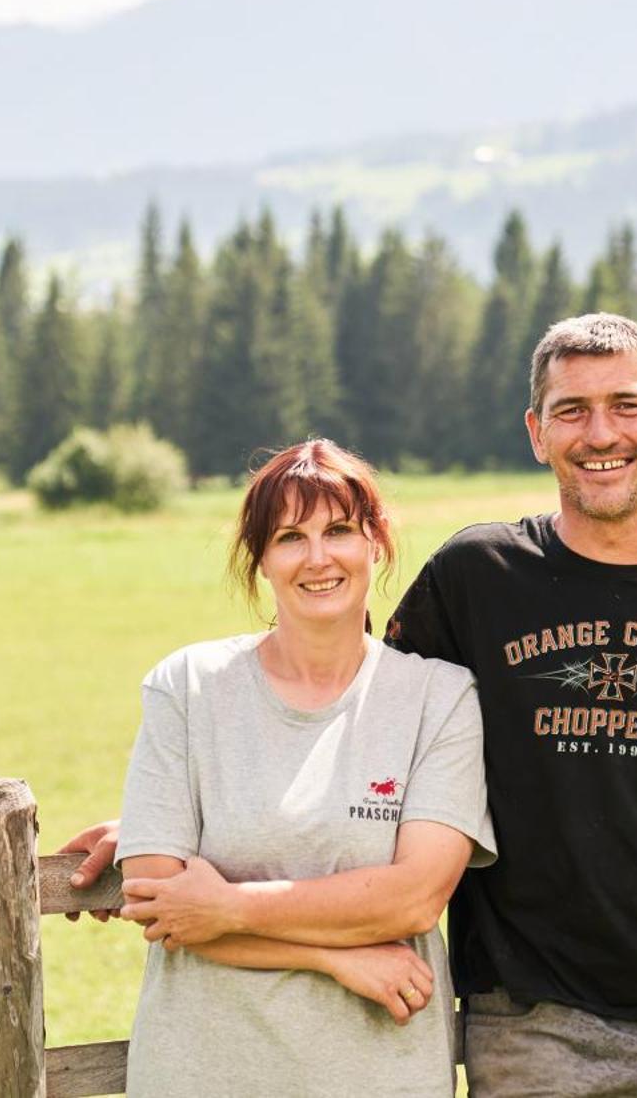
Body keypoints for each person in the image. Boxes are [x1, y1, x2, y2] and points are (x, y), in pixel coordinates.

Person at [67, 314, 637, 1097]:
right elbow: (356, 705)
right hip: (537, 1018)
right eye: (572, 409)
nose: (600, 432)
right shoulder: (478, 575)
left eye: (627, 404)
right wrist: (181, 818)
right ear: (537, 433)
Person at [111, 439, 495, 1098]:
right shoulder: (188, 686)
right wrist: (335, 953)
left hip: (380, 1076)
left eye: (339, 530)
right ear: (261, 557)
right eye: (291, 536)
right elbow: (163, 904)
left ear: (375, 542)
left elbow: (414, 896)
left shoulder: (440, 697)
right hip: (204, 1072)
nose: (318, 557)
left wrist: (227, 905)